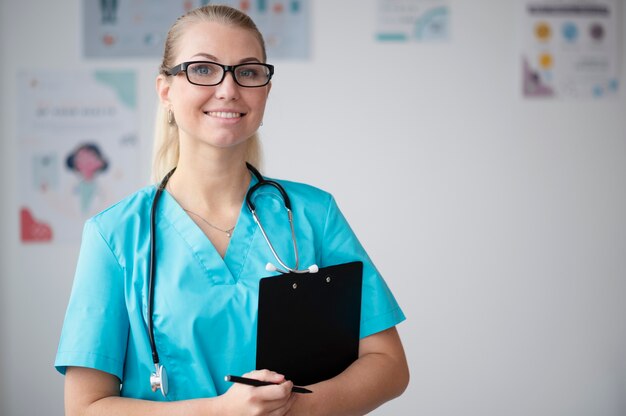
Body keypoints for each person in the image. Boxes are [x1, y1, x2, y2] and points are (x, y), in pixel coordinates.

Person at [55, 4, 409, 415]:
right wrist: (222, 412)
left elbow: (389, 365)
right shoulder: (115, 234)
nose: (228, 89)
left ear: (265, 90)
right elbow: (85, 407)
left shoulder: (314, 214)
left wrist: (288, 410)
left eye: (248, 71)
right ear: (166, 90)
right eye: (203, 70)